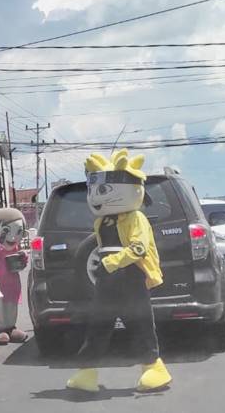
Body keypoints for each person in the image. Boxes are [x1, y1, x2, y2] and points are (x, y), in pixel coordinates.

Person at [67, 149, 172, 393]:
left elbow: (138, 248)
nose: (94, 197)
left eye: (102, 190)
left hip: (131, 277)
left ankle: (155, 369)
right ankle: (86, 373)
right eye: (92, 190)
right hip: (107, 279)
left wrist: (112, 262)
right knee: (98, 325)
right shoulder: (101, 221)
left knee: (141, 324)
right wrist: (105, 267)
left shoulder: (136, 218)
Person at [0, 208, 30, 344]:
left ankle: (11, 327)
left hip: (12, 285)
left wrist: (23, 257)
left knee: (11, 306)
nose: (13, 237)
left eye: (18, 232)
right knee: (0, 307)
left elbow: (22, 265)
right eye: (6, 231)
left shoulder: (16, 249)